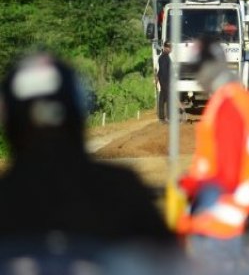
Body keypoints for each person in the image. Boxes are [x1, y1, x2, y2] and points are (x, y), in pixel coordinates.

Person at [0, 52, 180, 267]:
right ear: (77, 115)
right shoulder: (122, 188)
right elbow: (172, 262)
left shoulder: (7, 197)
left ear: (10, 125)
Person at [177, 36, 249, 273]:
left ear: (212, 66)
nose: (198, 78)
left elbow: (228, 173)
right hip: (226, 222)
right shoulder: (234, 98)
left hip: (219, 224)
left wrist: (192, 184)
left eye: (199, 70)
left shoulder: (228, 102)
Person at [155, 41, 172, 123]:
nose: (170, 49)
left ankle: (162, 117)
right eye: (169, 48)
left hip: (164, 81)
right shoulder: (164, 57)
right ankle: (167, 117)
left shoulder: (165, 57)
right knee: (167, 99)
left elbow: (160, 71)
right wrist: (166, 83)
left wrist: (157, 78)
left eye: (171, 47)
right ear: (165, 47)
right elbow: (164, 71)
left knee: (162, 98)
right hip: (165, 81)